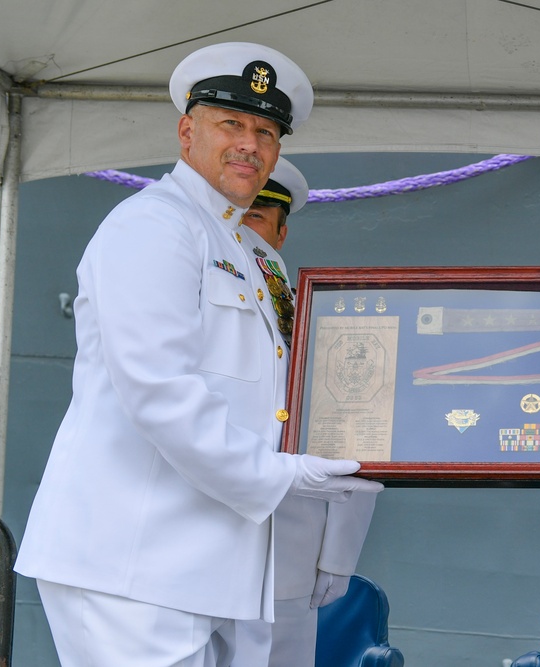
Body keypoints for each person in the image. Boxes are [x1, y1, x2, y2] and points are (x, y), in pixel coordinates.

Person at [14, 42, 383, 667]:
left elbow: (283, 399)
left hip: (209, 567)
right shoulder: (152, 225)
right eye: (231, 123)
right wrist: (280, 476)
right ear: (187, 131)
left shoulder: (253, 252)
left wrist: (333, 524)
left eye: (266, 131)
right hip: (131, 562)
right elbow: (158, 389)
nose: (250, 143)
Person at [230, 157, 378, 667]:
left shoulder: (318, 322)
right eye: (231, 213)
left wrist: (339, 549)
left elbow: (358, 433)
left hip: (287, 554)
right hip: (189, 548)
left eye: (255, 217)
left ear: (281, 233)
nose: (239, 228)